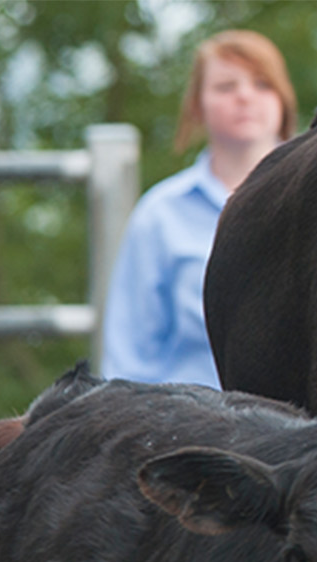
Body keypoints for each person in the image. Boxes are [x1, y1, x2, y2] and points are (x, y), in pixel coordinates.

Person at [101, 30, 296, 387]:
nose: (245, 96)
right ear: (196, 104)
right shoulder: (160, 215)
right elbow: (127, 360)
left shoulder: (312, 202)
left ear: (284, 100)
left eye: (263, 84)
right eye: (225, 86)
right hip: (197, 432)